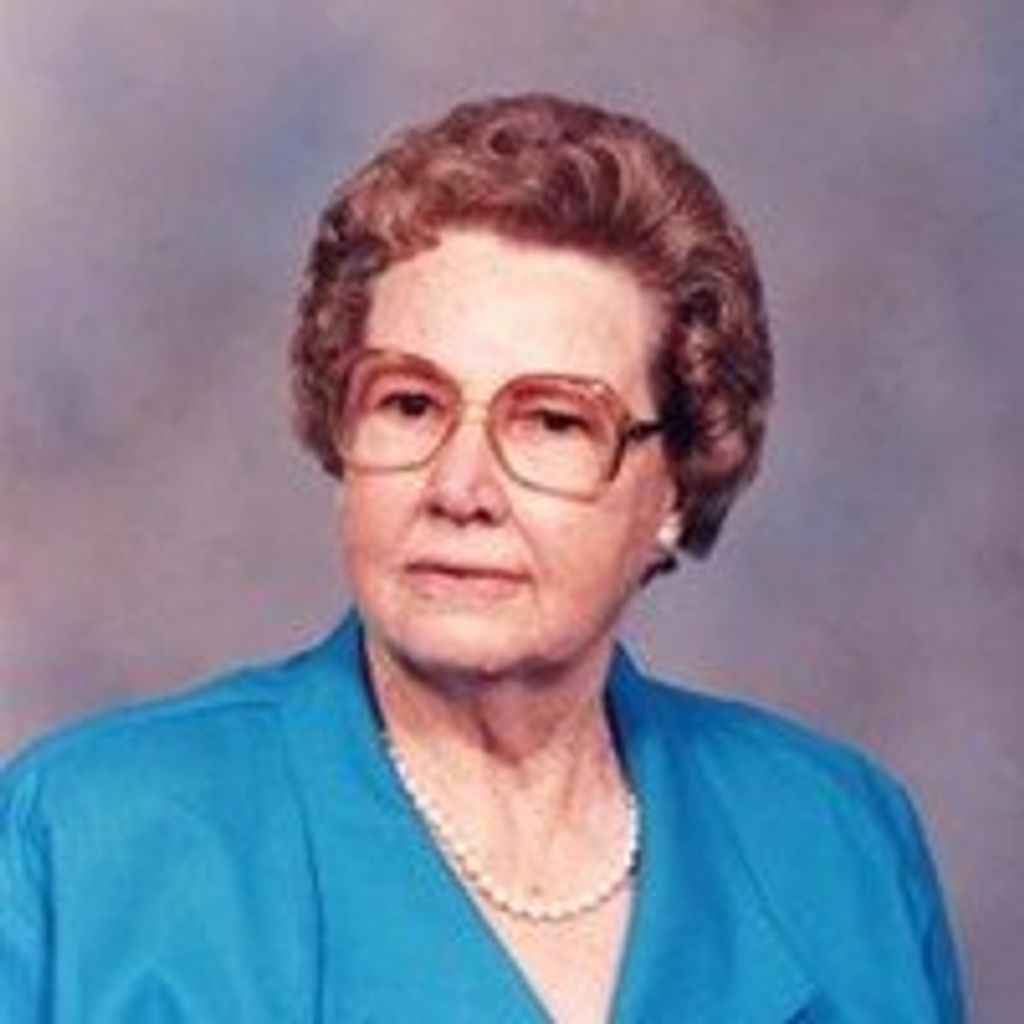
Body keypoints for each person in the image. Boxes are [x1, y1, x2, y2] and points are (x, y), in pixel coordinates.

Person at [0, 93, 964, 1022]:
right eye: (409, 404)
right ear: (341, 442)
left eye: (553, 421)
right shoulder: (87, 839)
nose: (460, 488)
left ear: (675, 484)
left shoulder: (840, 841)